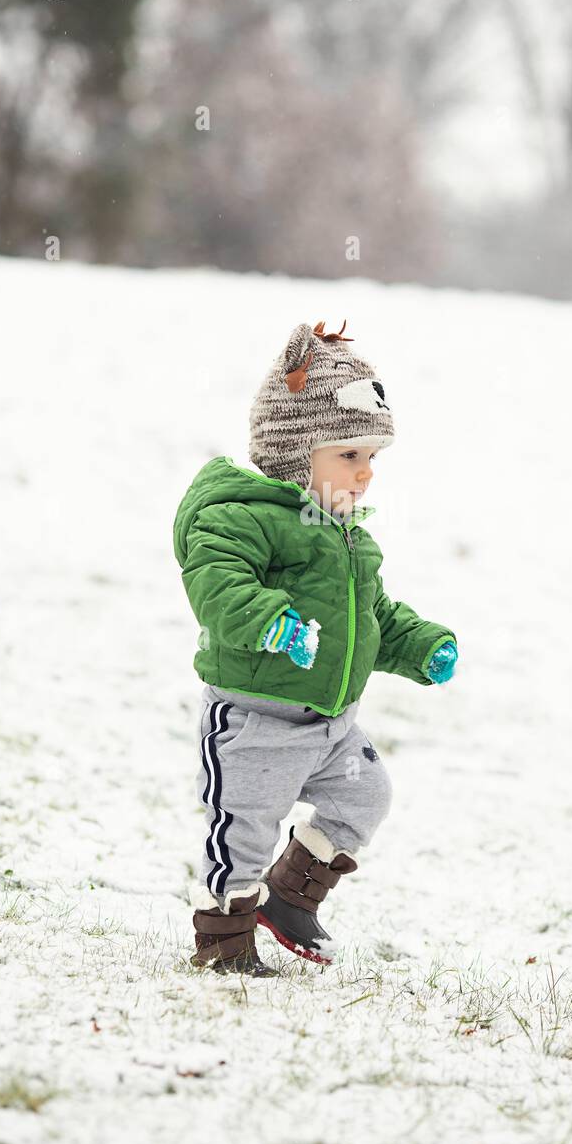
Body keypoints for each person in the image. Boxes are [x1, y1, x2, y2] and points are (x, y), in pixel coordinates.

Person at [172, 319, 459, 976]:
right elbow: (218, 586)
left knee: (366, 796)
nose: (364, 477)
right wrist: (273, 622)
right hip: (254, 723)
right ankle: (224, 943)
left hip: (330, 728)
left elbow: (371, 615)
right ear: (297, 452)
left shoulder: (345, 535)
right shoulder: (241, 516)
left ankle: (290, 896)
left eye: (371, 460)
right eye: (348, 456)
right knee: (241, 833)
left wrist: (418, 646)